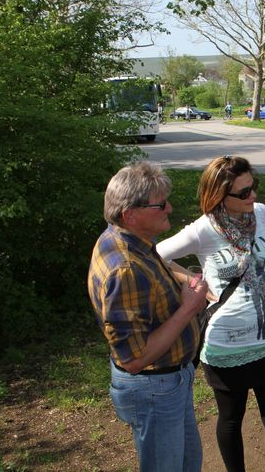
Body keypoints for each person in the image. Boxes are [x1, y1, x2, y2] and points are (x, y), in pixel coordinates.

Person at [156, 156, 265, 472]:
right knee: (231, 419)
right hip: (227, 346)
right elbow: (156, 254)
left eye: (253, 186)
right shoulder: (203, 230)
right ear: (219, 196)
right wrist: (194, 280)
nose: (252, 196)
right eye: (243, 193)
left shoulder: (262, 213)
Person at [87, 161, 210, 471]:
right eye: (161, 204)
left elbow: (159, 263)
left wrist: (188, 281)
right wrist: (188, 308)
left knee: (188, 462)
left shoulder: (126, 239)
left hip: (169, 382)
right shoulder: (125, 269)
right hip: (155, 389)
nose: (170, 208)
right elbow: (134, 359)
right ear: (131, 214)